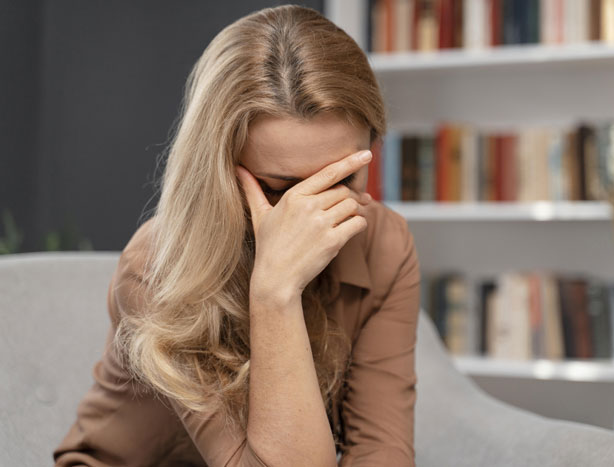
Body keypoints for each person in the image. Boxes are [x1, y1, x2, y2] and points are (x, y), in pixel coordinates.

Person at [53, 4, 420, 466]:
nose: (309, 217)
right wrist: (274, 292)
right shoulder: (155, 267)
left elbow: (381, 452)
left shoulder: (385, 243)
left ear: (374, 148)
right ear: (217, 170)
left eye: (338, 182)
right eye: (277, 191)